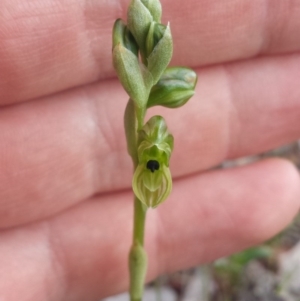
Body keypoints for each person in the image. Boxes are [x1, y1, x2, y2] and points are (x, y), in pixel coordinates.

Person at [0, 0, 299, 299]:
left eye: (157, 156)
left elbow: (178, 93)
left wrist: (153, 152)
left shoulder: (152, 139)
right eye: (152, 155)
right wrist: (149, 152)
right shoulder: (143, 134)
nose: (154, 161)